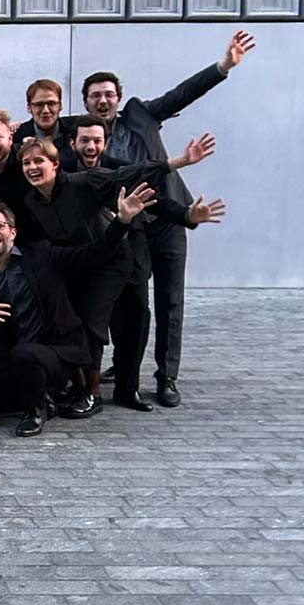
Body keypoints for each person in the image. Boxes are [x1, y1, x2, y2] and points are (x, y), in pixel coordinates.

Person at [80, 28, 254, 406]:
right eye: (95, 96)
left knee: (170, 301)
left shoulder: (140, 114)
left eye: (109, 94)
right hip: (134, 227)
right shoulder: (86, 138)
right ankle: (125, 366)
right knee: (131, 302)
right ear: (86, 103)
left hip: (172, 217)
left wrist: (223, 66)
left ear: (119, 98)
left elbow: (181, 94)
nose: (103, 100)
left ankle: (167, 376)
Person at [18, 133, 218, 416]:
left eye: (39, 161)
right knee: (74, 323)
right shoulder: (32, 201)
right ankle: (80, 388)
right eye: (26, 163)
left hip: (112, 261)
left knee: (101, 322)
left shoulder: (83, 182)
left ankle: (100, 393)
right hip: (79, 263)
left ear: (55, 164)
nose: (32, 167)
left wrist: (181, 168)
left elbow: (130, 174)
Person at [0, 189, 153, 437]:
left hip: (56, 352)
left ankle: (36, 411)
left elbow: (93, 254)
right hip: (13, 360)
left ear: (12, 232)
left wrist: (122, 221)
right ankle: (37, 395)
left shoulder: (42, 254)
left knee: (25, 353)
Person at [66, 116, 227, 411]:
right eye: (84, 140)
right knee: (91, 328)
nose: (90, 146)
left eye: (97, 140)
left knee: (135, 323)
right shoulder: (65, 173)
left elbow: (156, 201)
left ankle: (128, 390)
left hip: (131, 261)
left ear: (105, 143)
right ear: (72, 143)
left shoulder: (121, 169)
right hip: (90, 265)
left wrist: (187, 216)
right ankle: (88, 390)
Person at [12, 79, 79, 168]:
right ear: (29, 107)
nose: (45, 110)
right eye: (39, 105)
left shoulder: (75, 129)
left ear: (60, 105)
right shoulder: (16, 136)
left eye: (51, 103)